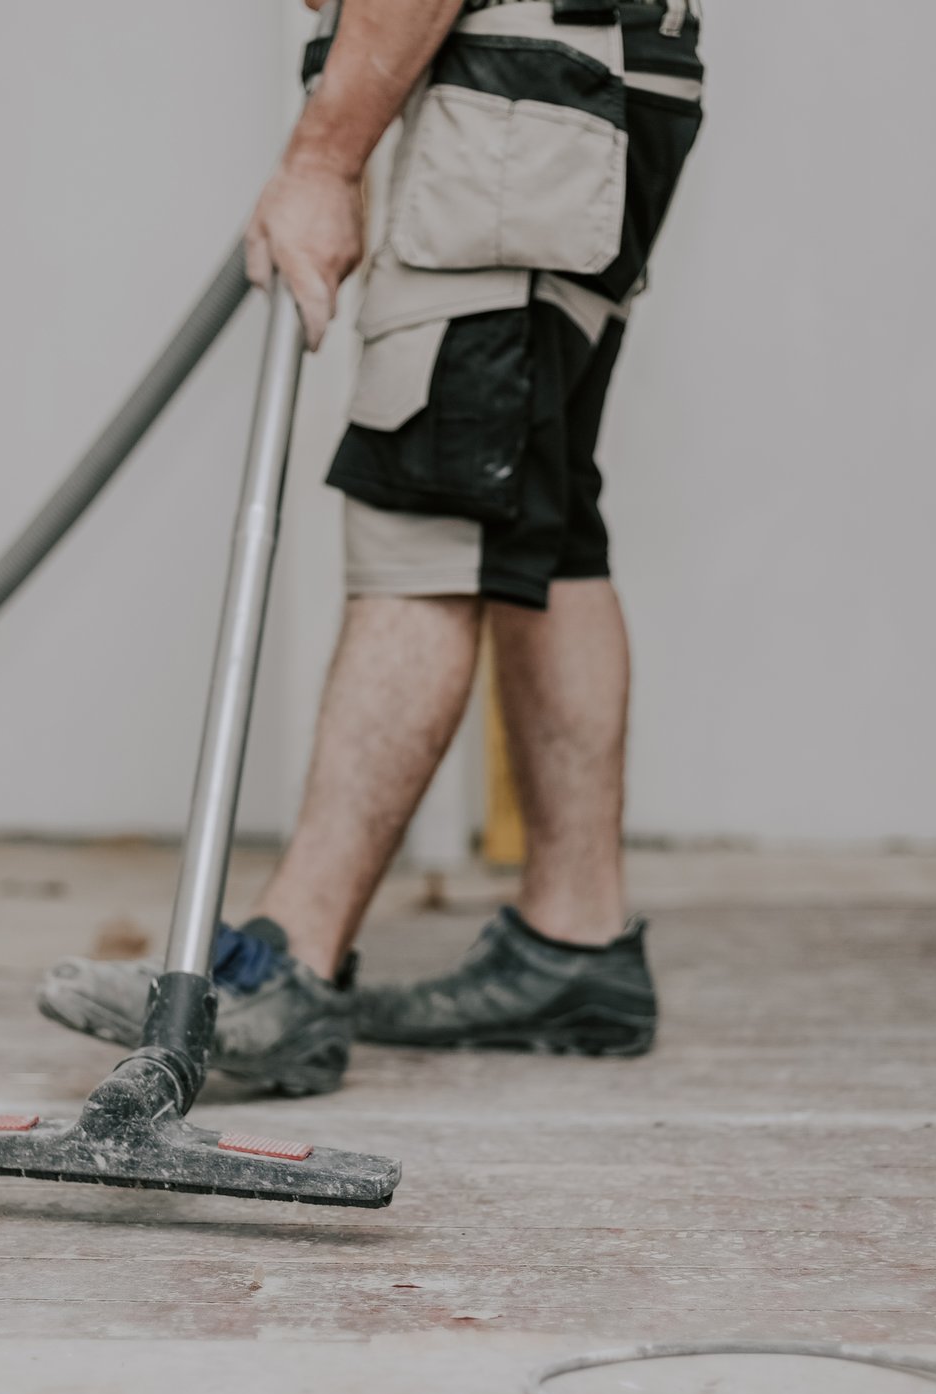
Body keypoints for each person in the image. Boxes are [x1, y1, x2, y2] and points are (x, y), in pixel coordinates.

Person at [39, 0, 704, 1096]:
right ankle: (575, 945)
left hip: (518, 103)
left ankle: (290, 966)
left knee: (427, 509)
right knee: (542, 514)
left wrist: (323, 155)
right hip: (596, 83)